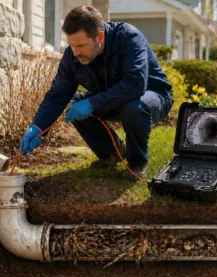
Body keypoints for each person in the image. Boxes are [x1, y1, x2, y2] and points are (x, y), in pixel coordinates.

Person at [20, 6, 173, 180]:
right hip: (113, 98)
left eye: (81, 45)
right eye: (71, 45)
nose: (75, 52)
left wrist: (92, 103)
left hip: (152, 96)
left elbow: (135, 84)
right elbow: (58, 94)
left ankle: (137, 162)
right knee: (74, 105)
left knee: (134, 108)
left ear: (100, 37)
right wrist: (37, 127)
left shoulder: (129, 38)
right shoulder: (72, 55)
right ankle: (112, 152)